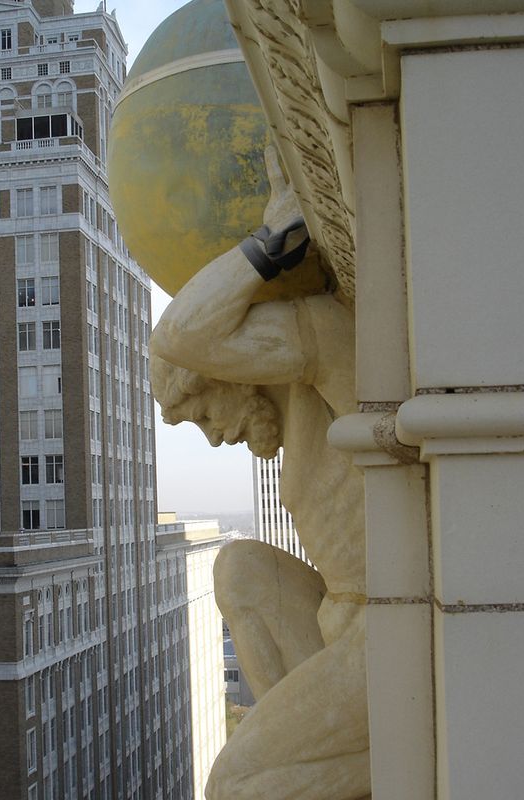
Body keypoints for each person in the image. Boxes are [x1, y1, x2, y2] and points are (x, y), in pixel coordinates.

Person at [149, 149, 370, 800]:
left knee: (236, 784)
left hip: (393, 634)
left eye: (203, 414)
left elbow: (178, 339)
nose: (215, 436)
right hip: (345, 633)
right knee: (239, 566)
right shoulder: (304, 402)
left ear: (230, 370)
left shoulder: (326, 349)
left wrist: (272, 242)